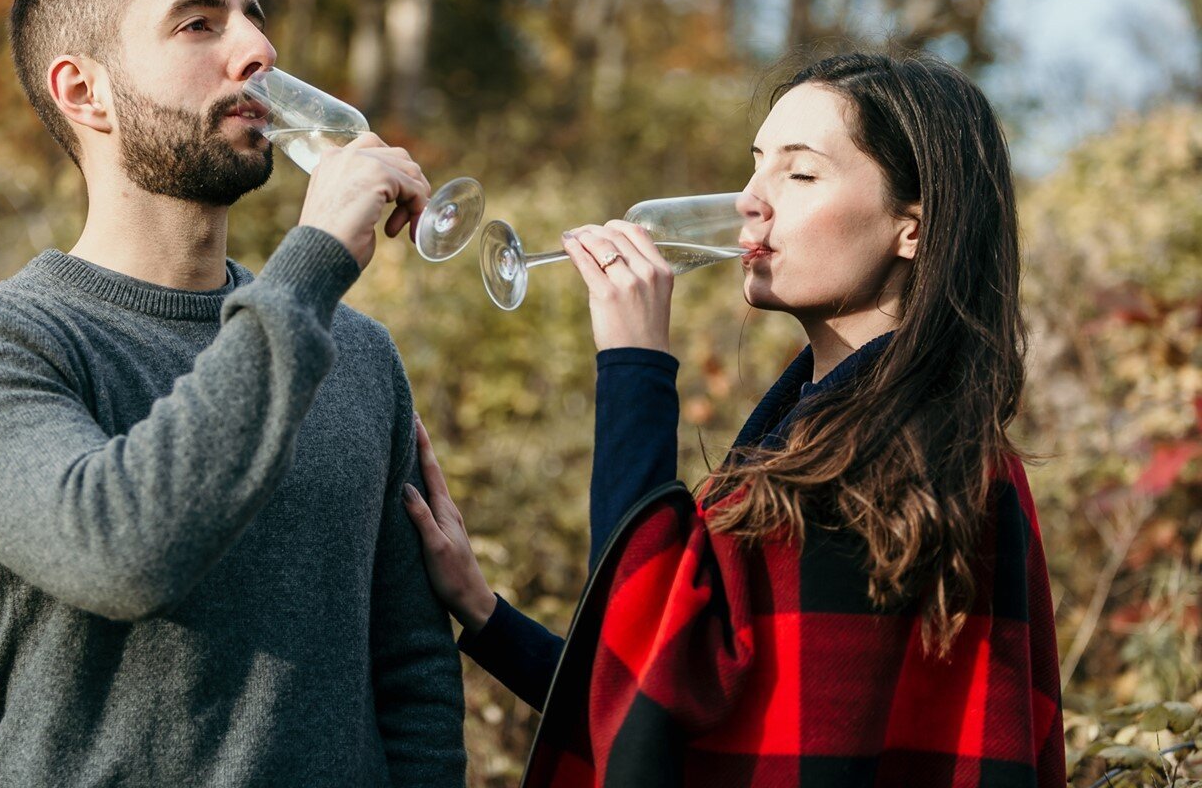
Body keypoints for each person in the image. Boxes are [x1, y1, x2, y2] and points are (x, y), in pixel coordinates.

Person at [0, 0, 465, 787]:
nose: (257, 51)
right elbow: (118, 552)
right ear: (82, 91)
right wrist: (313, 263)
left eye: (255, 19)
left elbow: (412, 674)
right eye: (200, 23)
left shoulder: (355, 351)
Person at [404, 51, 1065, 786]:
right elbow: (673, 704)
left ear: (913, 227)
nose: (751, 199)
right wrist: (484, 610)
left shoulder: (901, 461)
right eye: (756, 166)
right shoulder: (822, 439)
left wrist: (634, 365)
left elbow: (651, 654)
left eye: (800, 173)